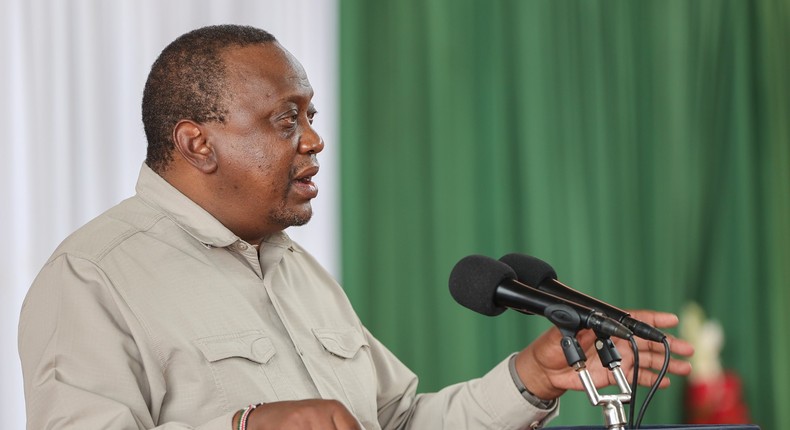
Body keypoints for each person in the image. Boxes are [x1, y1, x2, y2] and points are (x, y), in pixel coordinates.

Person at [18, 24, 693, 430]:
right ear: (198, 143)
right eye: (286, 119)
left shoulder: (295, 270)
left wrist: (528, 379)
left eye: (311, 116)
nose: (313, 141)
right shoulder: (93, 274)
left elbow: (397, 422)